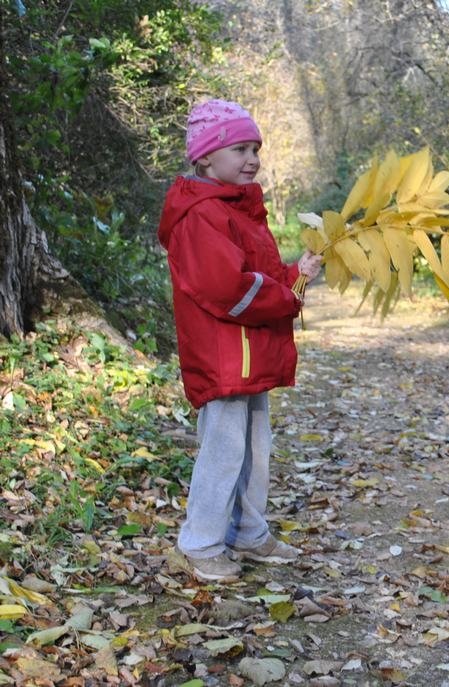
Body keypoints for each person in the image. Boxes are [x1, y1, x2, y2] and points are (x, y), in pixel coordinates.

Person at [157, 99, 322, 582]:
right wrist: (286, 298)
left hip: (249, 356)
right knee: (224, 448)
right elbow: (226, 286)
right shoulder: (200, 214)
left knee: (255, 446)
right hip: (225, 357)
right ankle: (201, 541)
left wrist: (297, 276)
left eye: (255, 148)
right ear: (207, 157)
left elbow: (263, 276)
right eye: (239, 149)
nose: (252, 158)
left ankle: (247, 532)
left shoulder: (240, 208)